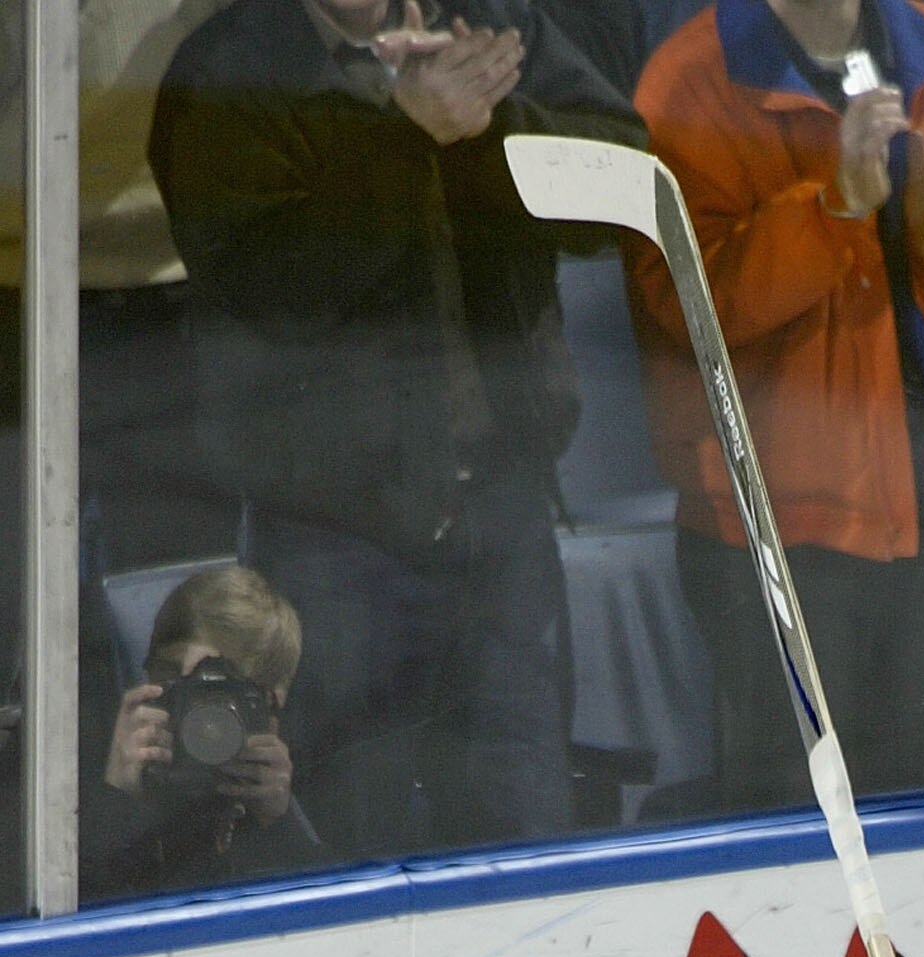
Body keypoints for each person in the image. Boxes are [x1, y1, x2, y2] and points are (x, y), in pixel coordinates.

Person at [149, 0, 645, 868]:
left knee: (524, 829)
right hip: (329, 530)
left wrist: (490, 127)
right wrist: (403, 135)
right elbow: (271, 290)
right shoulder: (224, 68)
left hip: (502, 514)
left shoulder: (492, 23)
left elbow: (627, 185)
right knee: (347, 837)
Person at [625, 0, 924, 811]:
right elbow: (685, 304)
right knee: (800, 829)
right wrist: (831, 209)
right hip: (780, 531)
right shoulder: (687, 81)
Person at [81, 561, 324, 900]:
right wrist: (117, 799)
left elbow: (329, 917)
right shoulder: (83, 785)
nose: (201, 721)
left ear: (270, 705)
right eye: (170, 677)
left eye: (219, 690)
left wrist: (276, 823)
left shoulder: (314, 790)